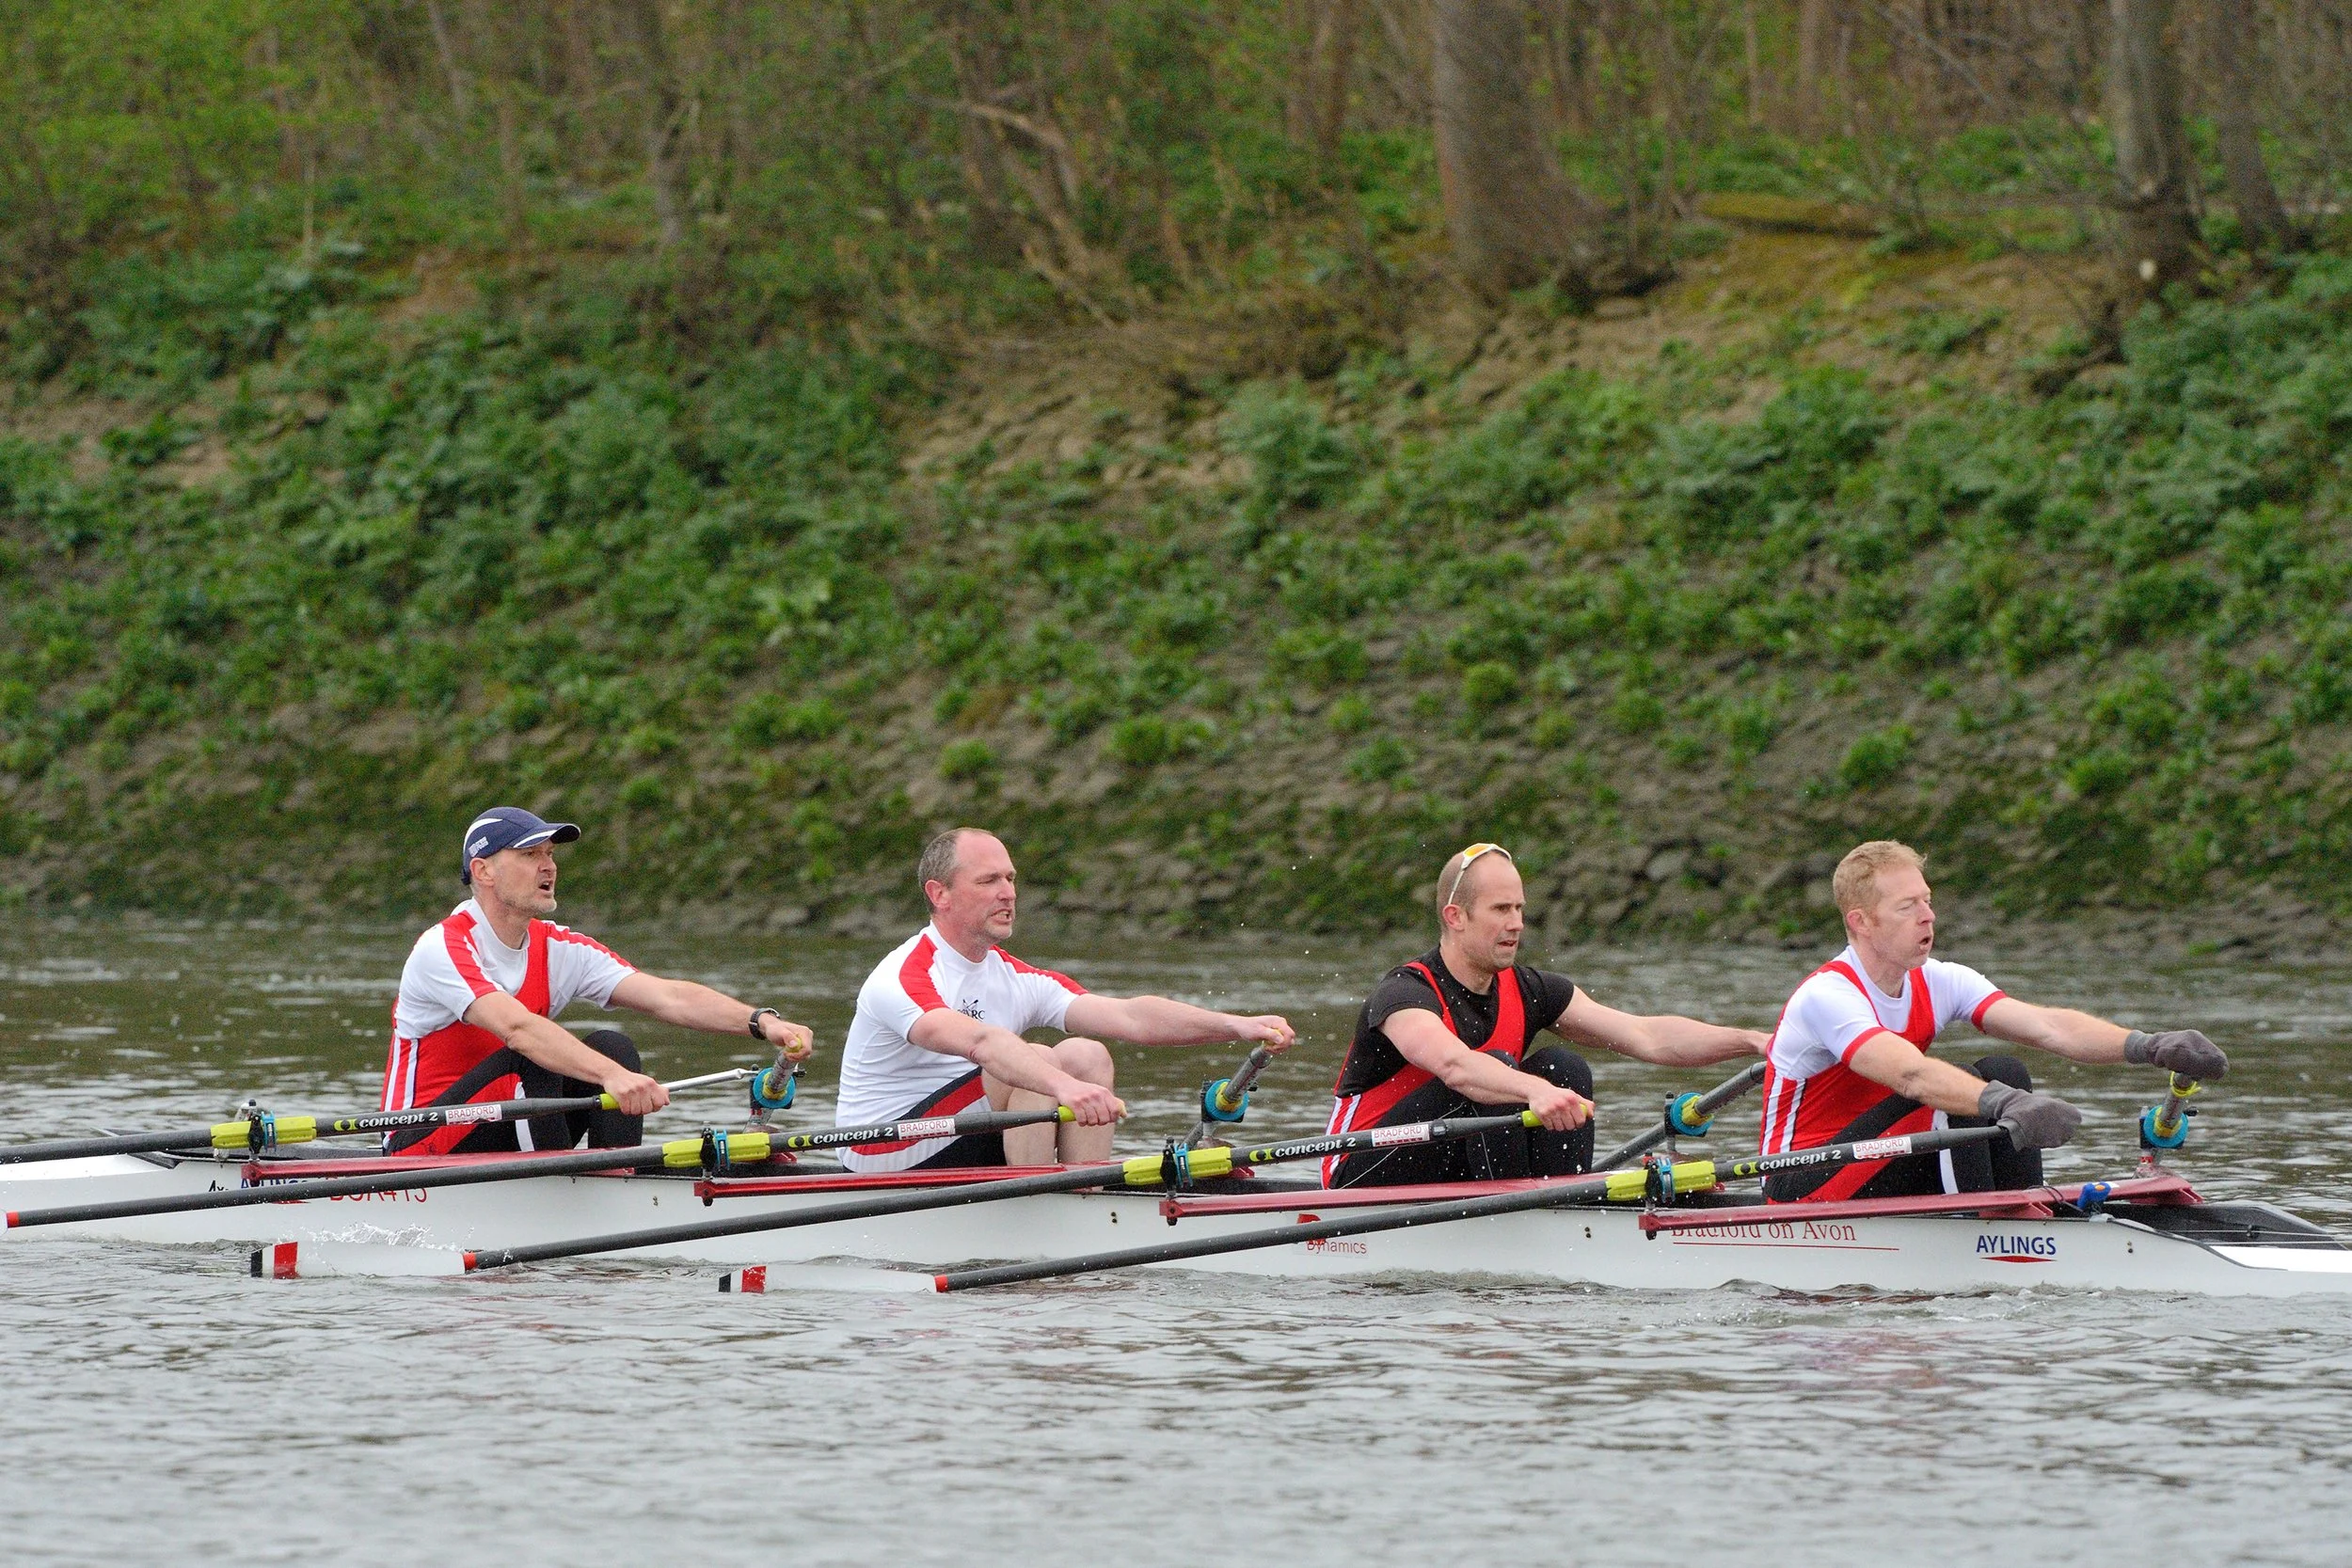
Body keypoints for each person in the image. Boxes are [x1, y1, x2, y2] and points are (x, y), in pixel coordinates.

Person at [1758, 839, 2228, 1202]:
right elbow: (1911, 1074)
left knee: (2005, 1070)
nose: (1929, 916)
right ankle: (1990, 1229)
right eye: (1908, 907)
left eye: (1927, 900)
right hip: (1802, 1176)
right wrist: (2005, 1104)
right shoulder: (1828, 995)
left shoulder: (1940, 980)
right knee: (1967, 1089)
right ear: (1861, 921)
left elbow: (2050, 1027)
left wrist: (2147, 1045)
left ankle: (2014, 1213)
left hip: (1883, 1159)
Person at [834, 827, 1296, 1171]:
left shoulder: (1013, 975)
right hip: (883, 1148)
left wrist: (1235, 1025)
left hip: (966, 1133)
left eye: (1011, 879)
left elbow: (1130, 1016)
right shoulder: (903, 974)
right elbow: (981, 1044)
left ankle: (1082, 1192)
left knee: (1086, 1053)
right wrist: (1064, 1090)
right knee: (1035, 1057)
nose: (1008, 893)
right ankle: (1042, 1203)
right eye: (989, 880)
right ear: (940, 895)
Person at [1324, 842, 1768, 1188]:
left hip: (1456, 1160)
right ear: (1455, 917)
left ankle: (1555, 1203)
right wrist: (1534, 1090)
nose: (1516, 923)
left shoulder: (1531, 990)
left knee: (1565, 1067)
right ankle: (1519, 1214)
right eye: (1501, 910)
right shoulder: (1404, 992)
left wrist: (1751, 1041)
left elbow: (1645, 1035)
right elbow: (1457, 1068)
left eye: (1519, 909)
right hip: (1361, 1168)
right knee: (1497, 1068)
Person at [379, 806, 815, 1155]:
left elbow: (667, 997)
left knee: (613, 1045)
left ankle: (614, 1182)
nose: (548, 866)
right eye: (530, 855)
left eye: (550, 854)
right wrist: (612, 1077)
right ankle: (558, 1192)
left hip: (505, 1125)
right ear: (484, 871)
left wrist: (761, 1022)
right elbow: (517, 1029)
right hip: (422, 1140)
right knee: (535, 1052)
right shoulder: (443, 947)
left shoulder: (559, 947)